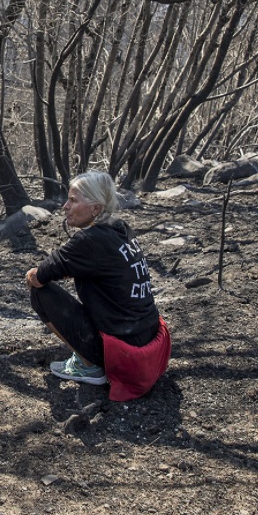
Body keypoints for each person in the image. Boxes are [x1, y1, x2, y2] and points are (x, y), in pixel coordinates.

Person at [24, 171, 170, 401]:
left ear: (96, 208)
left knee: (40, 293)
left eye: (73, 200)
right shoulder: (121, 228)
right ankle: (91, 358)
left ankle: (89, 364)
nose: (65, 206)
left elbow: (39, 277)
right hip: (148, 339)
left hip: (123, 352)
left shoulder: (88, 240)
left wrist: (33, 273)